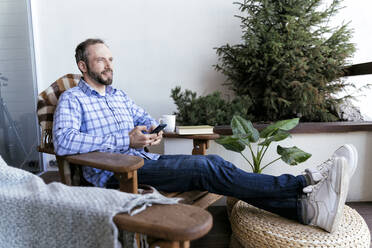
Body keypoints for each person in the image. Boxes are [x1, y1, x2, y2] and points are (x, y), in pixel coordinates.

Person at [53, 38, 358, 233]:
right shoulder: (72, 100)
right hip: (116, 175)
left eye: (111, 59)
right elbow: (63, 140)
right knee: (207, 167)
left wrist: (152, 131)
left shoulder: (118, 96)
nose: (109, 65)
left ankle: (305, 209)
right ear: (83, 66)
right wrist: (125, 140)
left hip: (143, 160)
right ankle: (302, 183)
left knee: (215, 168)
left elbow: (144, 119)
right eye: (100, 60)